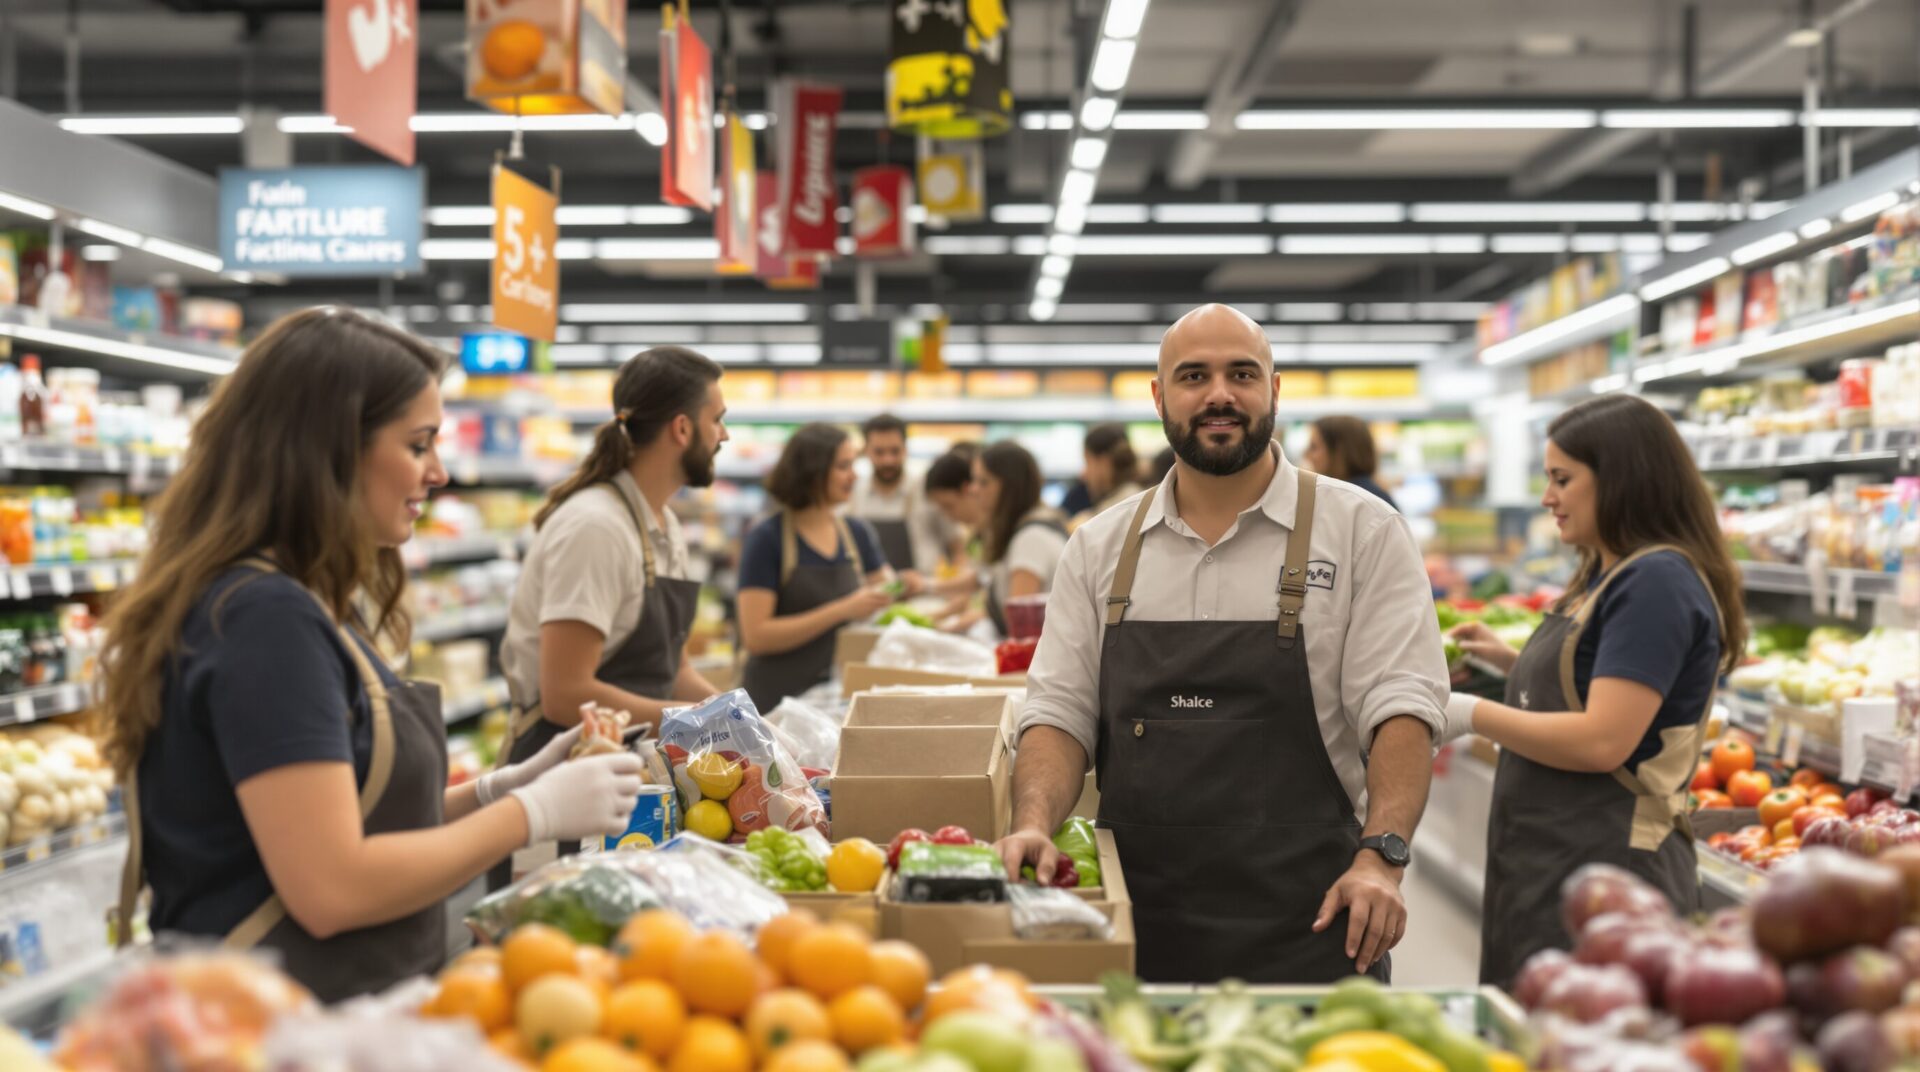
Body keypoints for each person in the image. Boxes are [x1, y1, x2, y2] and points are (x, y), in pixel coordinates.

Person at [99, 309, 643, 1002]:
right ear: (327, 449)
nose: (440, 473)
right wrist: (530, 814)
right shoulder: (265, 620)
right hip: (267, 1034)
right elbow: (332, 885)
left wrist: (495, 791)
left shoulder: (298, 601)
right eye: (418, 445)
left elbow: (344, 815)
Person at [995, 304, 1447, 984]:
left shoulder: (1362, 531)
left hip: (1318, 923)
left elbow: (1402, 706)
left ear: (1273, 389)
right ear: (1158, 397)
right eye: (1193, 376)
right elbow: (1058, 713)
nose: (1219, 395)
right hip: (1132, 929)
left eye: (1241, 373)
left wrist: (1381, 856)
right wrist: (1033, 823)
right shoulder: (1098, 548)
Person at [1442, 393, 1746, 989]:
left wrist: (1471, 713)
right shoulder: (1607, 573)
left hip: (1614, 878)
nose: (1546, 497)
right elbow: (1594, 688)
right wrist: (1510, 665)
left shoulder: (1656, 581)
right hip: (1554, 862)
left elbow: (1604, 739)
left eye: (1562, 478)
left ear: (1622, 479)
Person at [492, 347, 727, 882]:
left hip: (623, 780)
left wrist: (739, 720)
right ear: (684, 429)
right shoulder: (597, 527)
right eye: (719, 420)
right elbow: (566, 693)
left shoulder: (660, 526)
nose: (725, 436)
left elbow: (674, 669)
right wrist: (695, 726)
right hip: (557, 786)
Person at [738, 423, 894, 711]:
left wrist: (899, 587)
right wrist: (843, 609)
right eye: (844, 466)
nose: (854, 475)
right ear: (813, 471)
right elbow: (756, 636)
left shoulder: (856, 533)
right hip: (776, 705)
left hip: (837, 698)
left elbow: (883, 587)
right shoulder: (768, 538)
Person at [846, 413, 961, 577]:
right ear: (866, 451)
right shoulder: (852, 494)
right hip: (869, 596)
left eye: (895, 451)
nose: (888, 460)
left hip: (926, 597)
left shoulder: (928, 491)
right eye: (879, 452)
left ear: (905, 449)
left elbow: (957, 548)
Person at [975, 442, 1069, 637]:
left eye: (984, 482)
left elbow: (1021, 632)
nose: (974, 490)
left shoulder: (1031, 539)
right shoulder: (1032, 528)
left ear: (1009, 487)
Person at [1305, 415, 1397, 511]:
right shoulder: (1376, 494)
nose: (1307, 455)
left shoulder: (1350, 498)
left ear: (1339, 452)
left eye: (1314, 447)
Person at [1071, 423, 1145, 530]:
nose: (1083, 474)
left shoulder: (1115, 511)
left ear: (1104, 463)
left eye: (1087, 462)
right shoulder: (1137, 497)